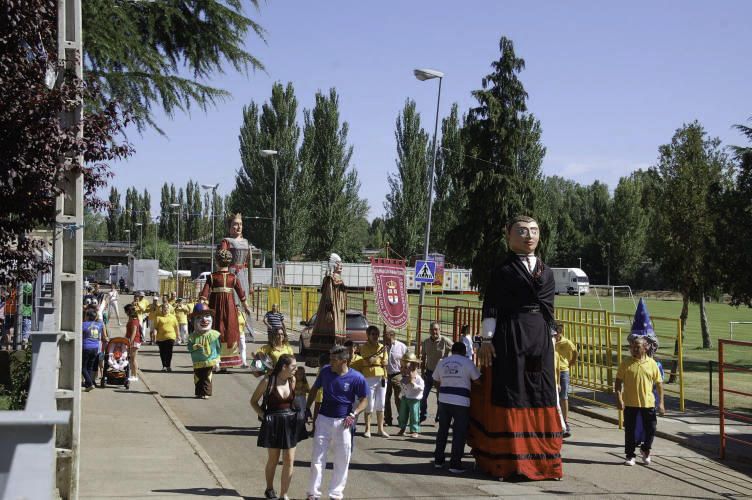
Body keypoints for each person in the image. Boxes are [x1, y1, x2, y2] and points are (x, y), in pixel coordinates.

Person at [471, 215, 563, 481]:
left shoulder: (546, 271)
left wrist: (553, 333)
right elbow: (491, 307)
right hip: (510, 334)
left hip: (540, 338)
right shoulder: (502, 271)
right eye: (522, 231)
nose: (529, 236)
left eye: (534, 231)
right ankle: (507, 461)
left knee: (542, 391)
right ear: (508, 235)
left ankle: (545, 460)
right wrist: (486, 340)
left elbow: (549, 309)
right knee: (512, 390)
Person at [305, 345, 367, 500]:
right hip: (324, 420)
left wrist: (354, 413)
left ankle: (336, 494)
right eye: (330, 358)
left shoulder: (357, 378)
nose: (330, 362)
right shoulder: (325, 371)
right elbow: (314, 389)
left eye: (334, 359)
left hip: (344, 423)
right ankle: (313, 494)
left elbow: (364, 400)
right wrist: (306, 408)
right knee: (317, 458)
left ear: (344, 361)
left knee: (342, 459)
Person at [251, 354, 303, 500]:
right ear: (284, 367)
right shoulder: (268, 381)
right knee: (273, 459)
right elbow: (253, 401)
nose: (296, 369)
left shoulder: (292, 380)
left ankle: (284, 494)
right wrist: (263, 415)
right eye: (293, 366)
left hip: (290, 422)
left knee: (289, 459)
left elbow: (293, 400)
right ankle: (269, 488)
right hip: (273, 423)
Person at [616, 336, 665, 466]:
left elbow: (659, 384)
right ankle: (630, 455)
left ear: (645, 348)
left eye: (637, 347)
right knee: (630, 431)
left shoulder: (652, 364)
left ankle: (645, 449)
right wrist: (619, 398)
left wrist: (661, 403)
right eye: (632, 347)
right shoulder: (626, 362)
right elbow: (618, 382)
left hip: (648, 403)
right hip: (630, 402)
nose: (634, 349)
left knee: (651, 428)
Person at [200, 248, 251, 370]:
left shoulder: (212, 277)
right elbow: (242, 294)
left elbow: (204, 294)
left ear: (217, 262)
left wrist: (201, 306)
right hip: (229, 307)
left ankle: (216, 360)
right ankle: (224, 362)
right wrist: (246, 307)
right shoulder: (233, 277)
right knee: (229, 330)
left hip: (215, 306)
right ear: (229, 262)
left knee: (215, 330)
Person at [433, 342, 481, 473]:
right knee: (459, 433)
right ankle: (455, 464)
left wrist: (441, 391)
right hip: (461, 401)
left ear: (452, 351)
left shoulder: (442, 362)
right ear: (464, 351)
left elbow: (435, 380)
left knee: (442, 430)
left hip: (444, 400)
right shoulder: (467, 362)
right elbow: (478, 380)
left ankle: (438, 460)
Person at [359, 325, 389, 438]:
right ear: (368, 335)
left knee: (381, 403)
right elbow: (369, 361)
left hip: (381, 376)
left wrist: (384, 361)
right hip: (369, 375)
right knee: (370, 403)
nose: (375, 336)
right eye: (373, 334)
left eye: (377, 334)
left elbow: (385, 362)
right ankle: (368, 429)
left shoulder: (382, 347)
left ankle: (380, 429)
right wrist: (379, 355)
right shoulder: (364, 347)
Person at [187, 303, 222, 399]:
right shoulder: (192, 337)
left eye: (207, 316)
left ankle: (206, 393)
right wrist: (194, 347)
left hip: (209, 361)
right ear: (194, 321)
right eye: (199, 317)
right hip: (197, 361)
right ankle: (198, 392)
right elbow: (189, 348)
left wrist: (218, 361)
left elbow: (218, 349)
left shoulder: (214, 335)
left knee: (207, 377)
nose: (204, 320)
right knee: (197, 378)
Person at [420, 322, 451, 422]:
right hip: (428, 372)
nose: (434, 332)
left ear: (439, 330)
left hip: (441, 374)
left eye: (436, 329)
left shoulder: (445, 341)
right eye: (432, 329)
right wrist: (422, 371)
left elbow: (456, 350)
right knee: (423, 396)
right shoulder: (426, 342)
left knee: (440, 397)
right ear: (429, 330)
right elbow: (423, 356)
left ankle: (439, 416)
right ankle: (423, 414)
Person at [553, 322, 577, 437]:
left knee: (563, 396)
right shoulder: (550, 341)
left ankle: (565, 422)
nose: (555, 337)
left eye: (557, 334)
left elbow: (575, 351)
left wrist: (571, 363)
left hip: (563, 371)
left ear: (560, 333)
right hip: (552, 370)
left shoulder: (566, 342)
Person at [383, 327, 407, 426]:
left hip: (398, 374)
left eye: (385, 335)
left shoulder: (401, 346)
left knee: (399, 399)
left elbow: (407, 360)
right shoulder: (382, 347)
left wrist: (406, 374)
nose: (383, 337)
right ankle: (388, 419)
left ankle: (402, 420)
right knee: (385, 398)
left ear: (391, 335)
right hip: (385, 375)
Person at [397, 352, 424, 438]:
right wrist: (402, 394)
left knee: (414, 415)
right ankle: (402, 428)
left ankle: (414, 430)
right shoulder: (404, 377)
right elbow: (403, 387)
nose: (403, 369)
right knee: (402, 414)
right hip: (405, 398)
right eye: (402, 367)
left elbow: (421, 388)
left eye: (406, 367)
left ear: (413, 367)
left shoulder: (418, 378)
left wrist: (413, 383)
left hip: (414, 399)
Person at [82, 306, 103, 392]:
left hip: (86, 347)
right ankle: (88, 385)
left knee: (82, 367)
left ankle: (90, 383)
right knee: (89, 367)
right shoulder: (99, 325)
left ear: (87, 316)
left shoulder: (84, 324)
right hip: (95, 347)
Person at [153, 301, 179, 372]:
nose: (166, 309)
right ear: (162, 309)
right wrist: (154, 336)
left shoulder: (173, 317)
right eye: (164, 308)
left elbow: (176, 327)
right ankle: (164, 366)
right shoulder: (158, 317)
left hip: (171, 337)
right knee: (162, 352)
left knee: (169, 352)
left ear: (169, 309)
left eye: (167, 308)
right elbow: (155, 328)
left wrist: (178, 336)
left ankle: (168, 366)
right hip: (161, 338)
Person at [124, 304, 142, 382]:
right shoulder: (131, 319)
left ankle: (134, 375)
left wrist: (129, 342)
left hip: (134, 341)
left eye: (126, 311)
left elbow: (134, 333)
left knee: (133, 359)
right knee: (132, 359)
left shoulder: (134, 320)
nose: (125, 313)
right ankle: (133, 374)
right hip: (132, 340)